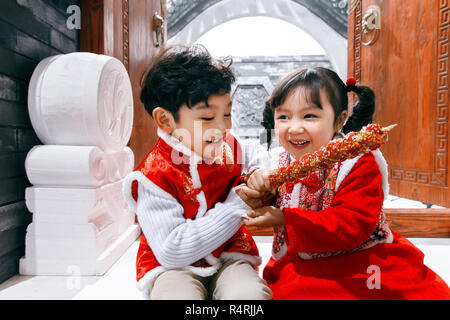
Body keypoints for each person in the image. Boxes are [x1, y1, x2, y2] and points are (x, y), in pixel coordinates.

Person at [243, 67, 450, 299]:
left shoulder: (358, 162)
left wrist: (284, 218)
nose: (295, 127)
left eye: (309, 116)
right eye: (284, 117)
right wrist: (260, 189)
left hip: (363, 258)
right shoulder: (278, 160)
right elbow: (272, 196)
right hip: (304, 259)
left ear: (339, 120)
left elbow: (353, 224)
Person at [122, 45, 272, 300]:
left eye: (227, 113)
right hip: (172, 267)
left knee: (250, 296)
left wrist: (261, 171)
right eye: (207, 118)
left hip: (229, 254)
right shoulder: (153, 177)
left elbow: (259, 154)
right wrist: (238, 204)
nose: (225, 126)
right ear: (166, 121)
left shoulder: (229, 146)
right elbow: (172, 250)